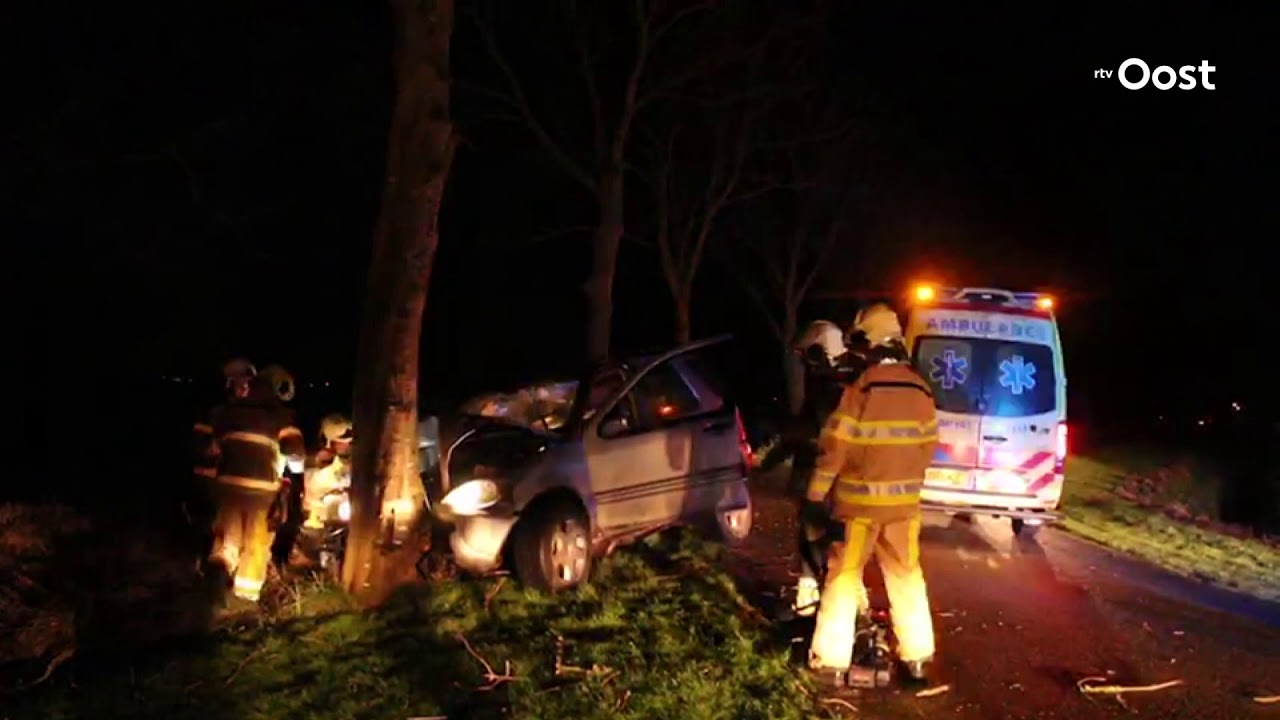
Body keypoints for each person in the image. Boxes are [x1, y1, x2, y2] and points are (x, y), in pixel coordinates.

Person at [804, 302, 939, 686]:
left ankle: (830, 660)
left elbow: (835, 448)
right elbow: (928, 447)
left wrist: (815, 496)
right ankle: (917, 659)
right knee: (907, 577)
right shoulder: (921, 390)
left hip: (858, 507)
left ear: (870, 343)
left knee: (844, 578)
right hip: (903, 510)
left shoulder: (861, 390)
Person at [204, 360, 306, 605]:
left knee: (226, 536)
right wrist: (297, 474)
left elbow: (214, 447)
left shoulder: (231, 411)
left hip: (227, 487)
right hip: (262, 492)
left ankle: (218, 573)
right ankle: (245, 598)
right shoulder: (282, 416)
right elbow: (294, 454)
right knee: (256, 543)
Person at [303, 413, 354, 531]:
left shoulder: (350, 464)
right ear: (329, 443)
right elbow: (311, 498)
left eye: (349, 441)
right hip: (324, 523)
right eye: (341, 441)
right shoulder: (316, 472)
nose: (346, 446)